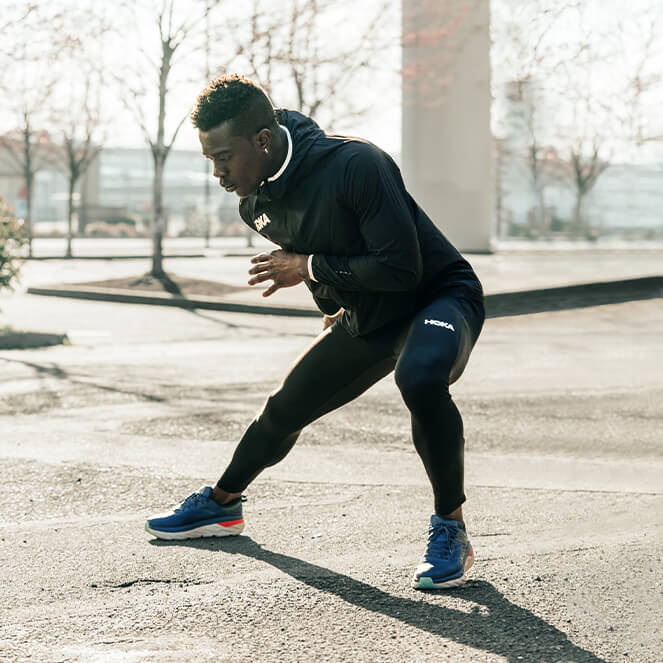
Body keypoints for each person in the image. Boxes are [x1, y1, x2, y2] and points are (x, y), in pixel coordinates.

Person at [145, 74, 485, 590]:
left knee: (417, 377)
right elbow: (318, 253)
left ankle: (451, 530)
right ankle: (221, 506)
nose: (217, 173)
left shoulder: (356, 164)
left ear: (262, 139)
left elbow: (400, 269)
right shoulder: (255, 203)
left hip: (436, 297)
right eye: (209, 160)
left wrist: (309, 268)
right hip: (370, 314)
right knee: (285, 406)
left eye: (223, 157)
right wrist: (326, 299)